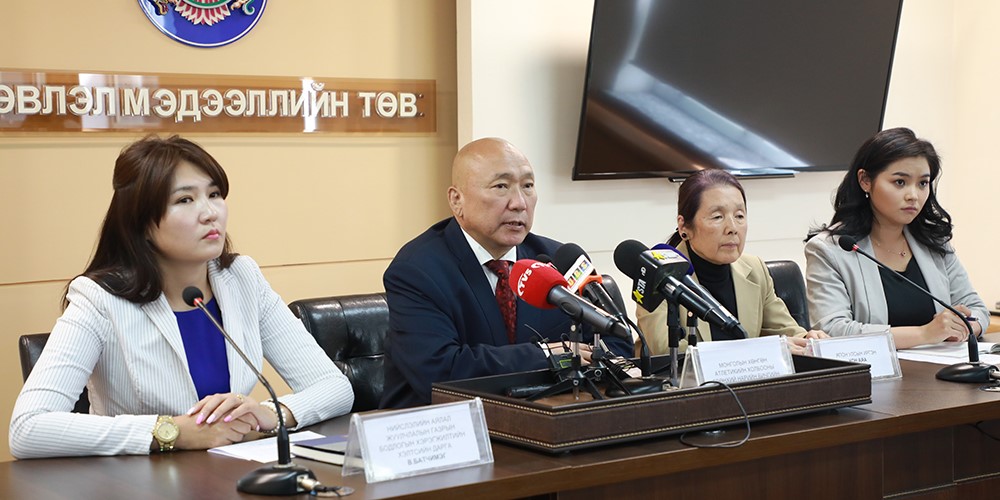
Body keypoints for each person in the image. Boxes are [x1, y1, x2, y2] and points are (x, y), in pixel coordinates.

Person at [9, 135, 354, 459]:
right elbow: (28, 428)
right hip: (138, 485)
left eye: (214, 194)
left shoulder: (241, 279)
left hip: (232, 475)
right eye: (185, 200)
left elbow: (334, 386)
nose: (210, 212)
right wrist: (171, 431)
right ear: (142, 223)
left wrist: (270, 414)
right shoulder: (100, 300)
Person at [380, 137, 633, 408]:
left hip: (550, 416)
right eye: (501, 186)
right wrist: (546, 355)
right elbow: (441, 371)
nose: (519, 203)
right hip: (441, 425)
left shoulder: (559, 260)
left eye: (528, 186)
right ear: (456, 200)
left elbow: (617, 344)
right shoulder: (417, 270)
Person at [805, 127, 988, 348]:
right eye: (900, 182)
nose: (913, 195)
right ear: (865, 180)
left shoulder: (933, 241)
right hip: (874, 368)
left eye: (923, 183)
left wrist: (963, 327)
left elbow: (976, 309)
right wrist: (924, 334)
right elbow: (833, 330)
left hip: (941, 366)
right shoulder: (830, 250)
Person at [636, 169, 825, 355]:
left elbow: (786, 331)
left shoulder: (755, 269)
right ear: (684, 226)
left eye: (739, 216)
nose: (732, 228)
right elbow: (667, 352)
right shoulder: (658, 275)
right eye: (717, 217)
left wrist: (809, 340)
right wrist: (760, 349)